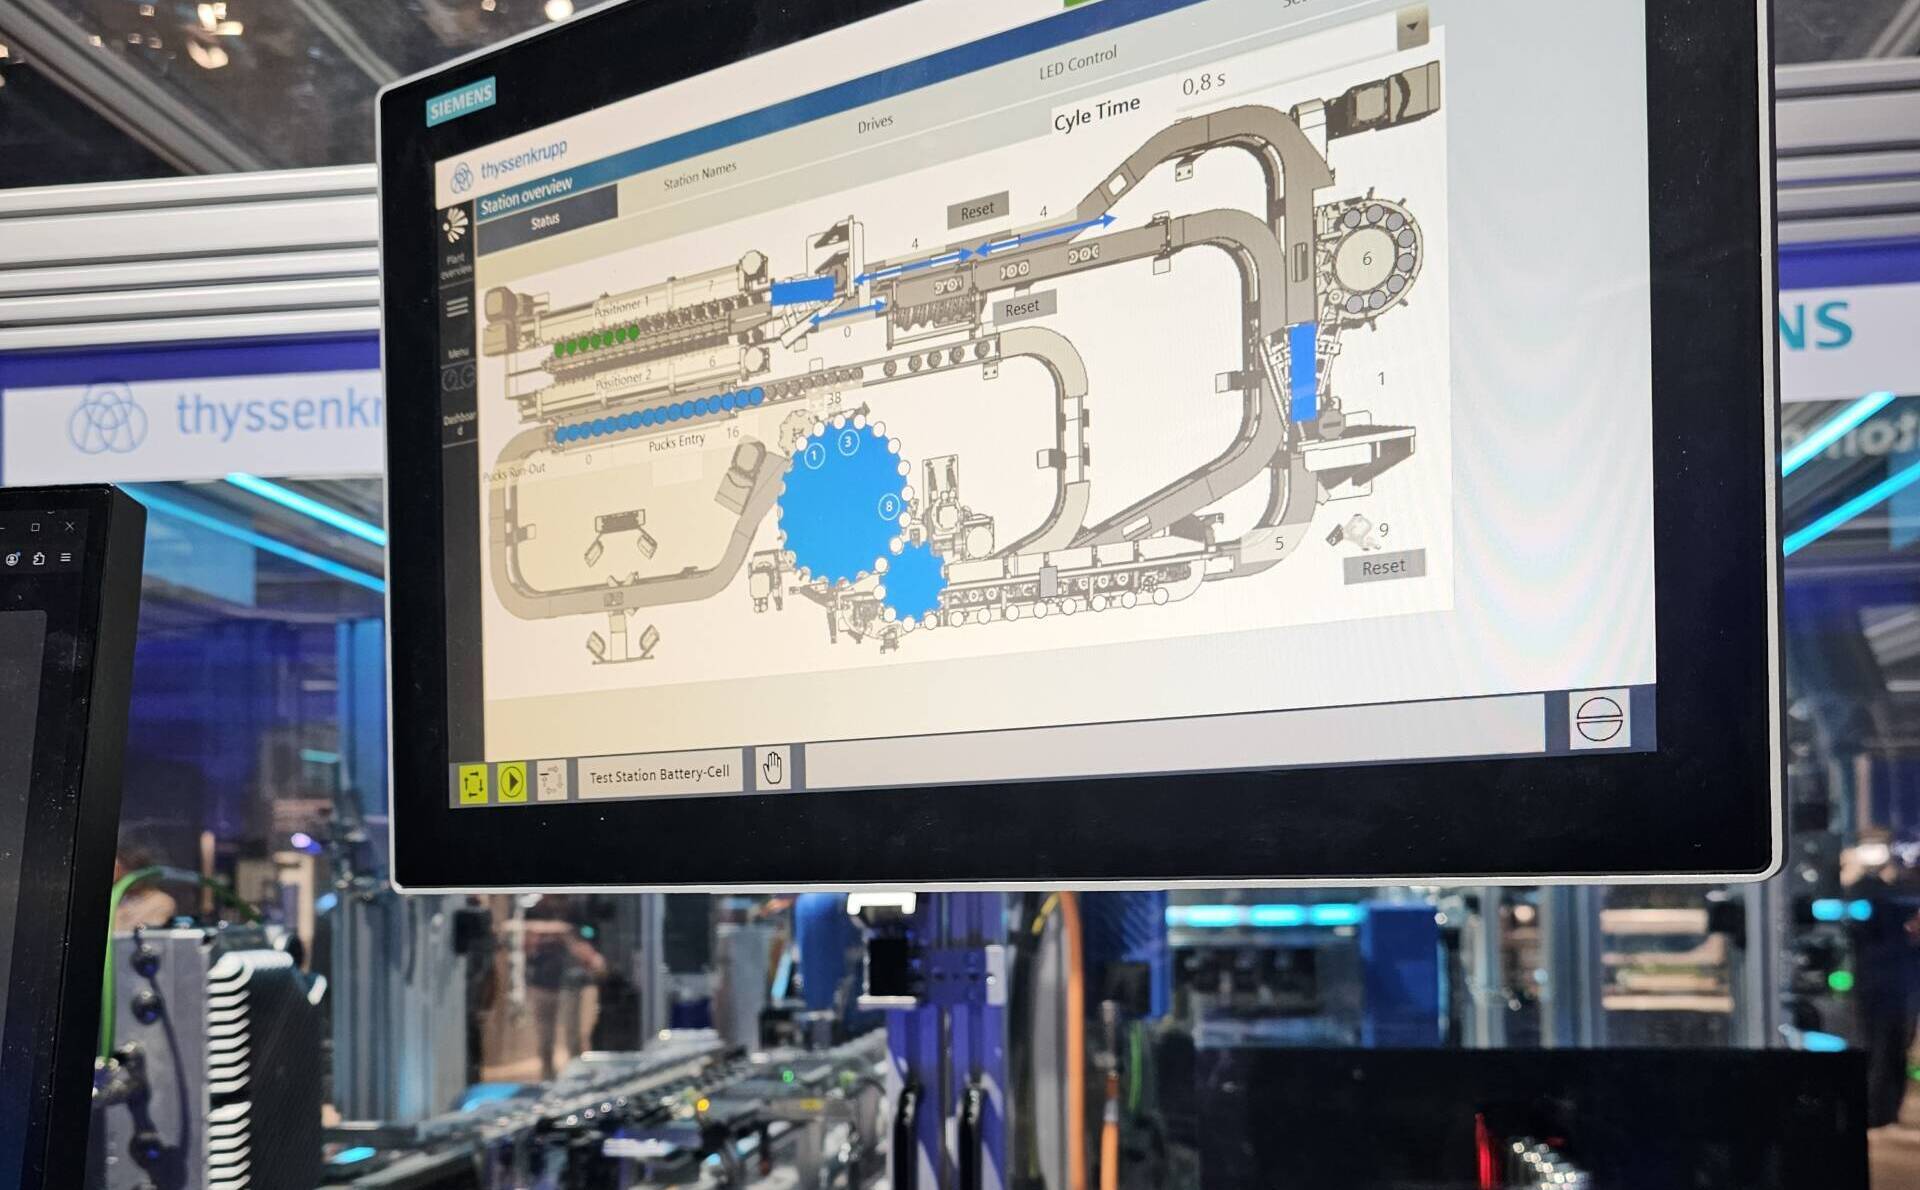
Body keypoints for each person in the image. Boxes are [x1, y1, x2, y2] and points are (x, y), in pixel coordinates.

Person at [524, 895, 607, 1080]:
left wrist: (573, 942)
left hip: (570, 982)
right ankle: (547, 1079)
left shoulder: (576, 909)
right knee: (545, 1039)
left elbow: (585, 939)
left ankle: (577, 1079)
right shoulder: (534, 909)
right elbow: (525, 938)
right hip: (542, 982)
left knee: (574, 1037)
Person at [112, 843, 177, 932]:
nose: (116, 875)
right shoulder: (118, 897)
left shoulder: (161, 902)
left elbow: (146, 932)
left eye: (119, 870)